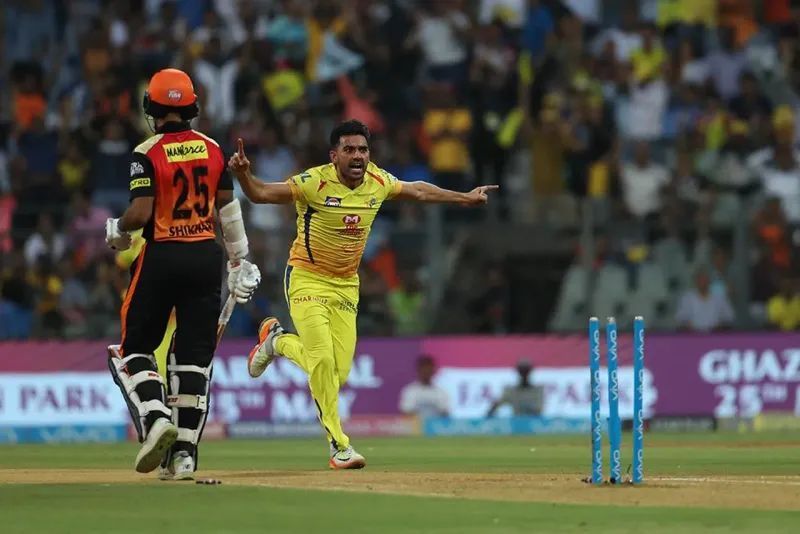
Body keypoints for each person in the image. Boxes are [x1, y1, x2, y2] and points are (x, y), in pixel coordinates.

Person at [228, 119, 497, 469]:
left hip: (346, 285)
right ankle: (339, 446)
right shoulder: (313, 182)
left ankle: (277, 342)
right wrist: (244, 175)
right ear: (334, 154)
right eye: (350, 149)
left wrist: (464, 198)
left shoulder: (378, 181)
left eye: (363, 149)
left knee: (335, 377)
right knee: (322, 361)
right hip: (307, 279)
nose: (358, 156)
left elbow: (417, 190)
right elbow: (261, 194)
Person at [104, 68, 261, 479]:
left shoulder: (147, 151)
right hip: (205, 258)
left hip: (162, 256)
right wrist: (240, 259)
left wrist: (118, 230)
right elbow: (227, 208)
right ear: (192, 106)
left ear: (151, 108)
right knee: (192, 361)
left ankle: (156, 418)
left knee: (133, 348)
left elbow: (139, 214)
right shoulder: (212, 148)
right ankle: (185, 456)